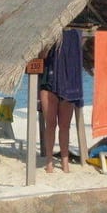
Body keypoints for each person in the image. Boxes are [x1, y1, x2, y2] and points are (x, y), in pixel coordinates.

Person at [39, 29, 83, 173]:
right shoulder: (46, 35)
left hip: (67, 84)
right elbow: (41, 56)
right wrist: (48, 44)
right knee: (50, 124)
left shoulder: (73, 38)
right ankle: (49, 161)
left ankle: (65, 162)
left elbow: (80, 50)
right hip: (48, 84)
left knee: (65, 126)